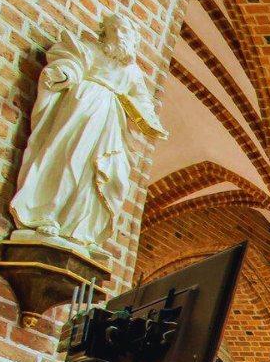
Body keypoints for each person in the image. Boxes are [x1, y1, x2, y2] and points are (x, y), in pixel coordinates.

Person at [10, 14, 167, 261]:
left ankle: (79, 229)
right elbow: (72, 64)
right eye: (115, 30)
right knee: (69, 159)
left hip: (111, 125)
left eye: (126, 32)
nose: (120, 36)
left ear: (134, 39)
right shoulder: (90, 50)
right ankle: (46, 214)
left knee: (100, 174)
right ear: (105, 33)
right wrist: (66, 74)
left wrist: (151, 121)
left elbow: (143, 101)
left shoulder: (133, 72)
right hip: (80, 112)